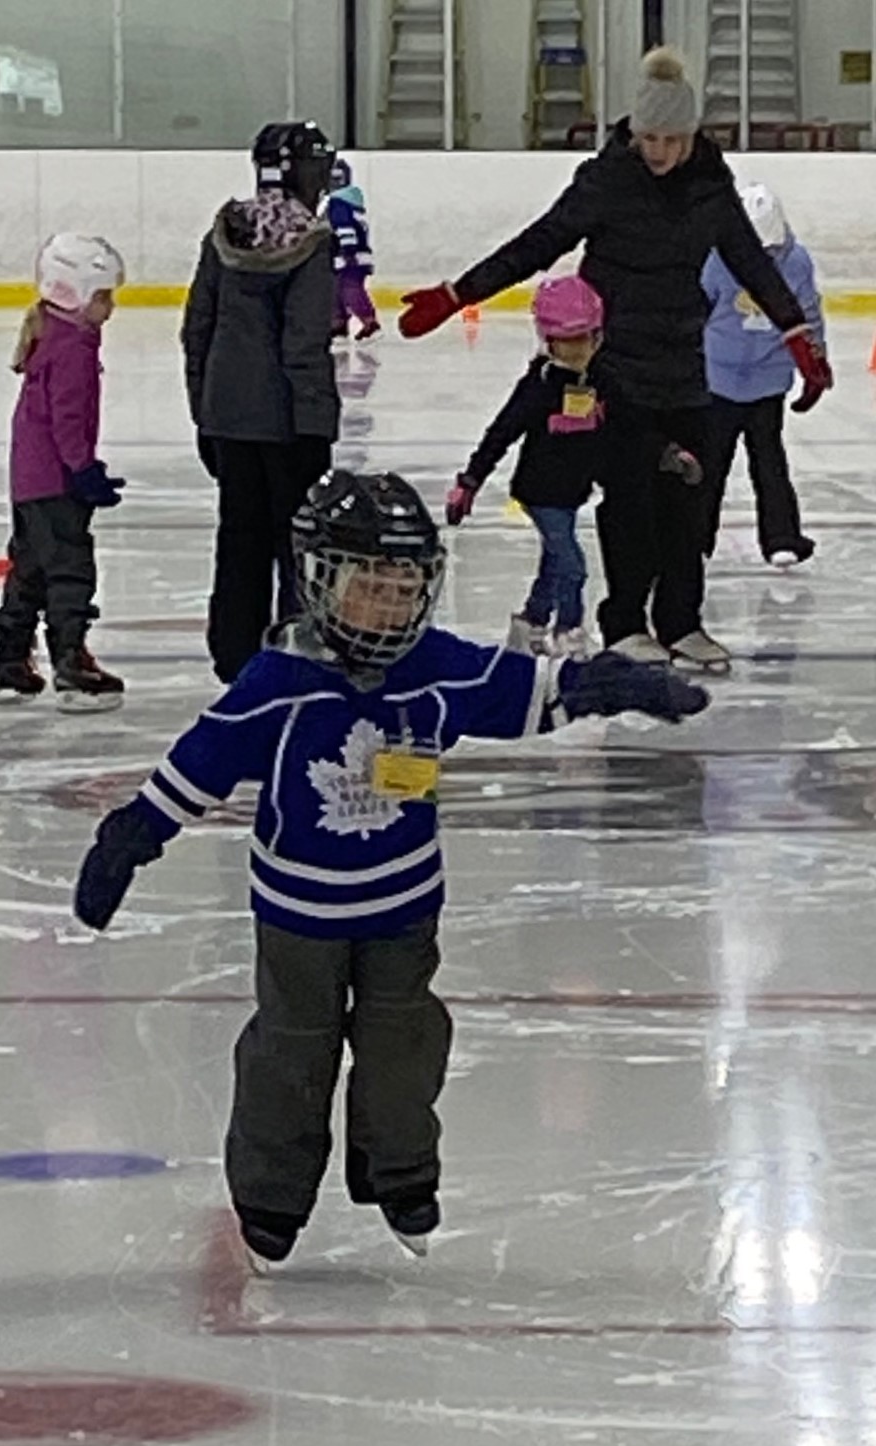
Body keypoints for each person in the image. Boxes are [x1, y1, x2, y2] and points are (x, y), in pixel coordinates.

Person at [73, 469, 708, 1270]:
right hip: (298, 915)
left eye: (406, 590)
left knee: (403, 1041)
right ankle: (272, 1193)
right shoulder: (279, 683)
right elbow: (200, 762)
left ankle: (398, 1171)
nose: (391, 607)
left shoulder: (434, 666)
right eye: (371, 588)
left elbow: (526, 690)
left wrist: (608, 685)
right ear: (321, 582)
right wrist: (132, 835)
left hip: (404, 907)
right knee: (290, 1050)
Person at [398, 47, 832, 676]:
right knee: (631, 500)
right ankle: (625, 622)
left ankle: (681, 622)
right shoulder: (607, 182)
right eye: (647, 137)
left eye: (669, 139)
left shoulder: (711, 187)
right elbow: (538, 243)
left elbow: (750, 262)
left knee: (688, 500)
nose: (657, 150)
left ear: (690, 135)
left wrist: (796, 333)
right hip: (615, 369)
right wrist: (458, 293)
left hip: (684, 365)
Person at [448, 275, 702, 660]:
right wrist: (469, 481)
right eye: (567, 341)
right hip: (540, 494)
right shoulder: (540, 386)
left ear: (597, 336)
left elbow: (630, 425)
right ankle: (568, 630)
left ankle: (530, 623)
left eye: (583, 339)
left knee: (554, 564)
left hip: (572, 492)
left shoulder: (602, 381)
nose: (576, 350)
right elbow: (502, 432)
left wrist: (667, 452)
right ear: (549, 340)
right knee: (572, 566)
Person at [182, 120, 340, 685]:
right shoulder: (311, 242)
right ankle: (294, 653)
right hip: (288, 423)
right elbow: (304, 343)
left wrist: (205, 411)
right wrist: (316, 423)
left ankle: (234, 653)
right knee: (297, 543)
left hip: (228, 417)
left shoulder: (225, 234)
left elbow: (197, 329)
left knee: (238, 537)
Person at [0, 233, 127, 713]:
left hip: (31, 479)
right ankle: (71, 664)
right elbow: (66, 418)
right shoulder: (73, 347)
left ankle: (10, 663)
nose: (111, 308)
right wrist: (83, 470)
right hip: (55, 481)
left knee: (29, 570)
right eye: (104, 297)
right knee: (69, 569)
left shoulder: (52, 334)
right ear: (77, 295)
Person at [701, 182, 824, 569]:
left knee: (769, 463)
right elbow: (696, 308)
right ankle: (694, 537)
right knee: (709, 465)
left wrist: (815, 364)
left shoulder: (797, 262)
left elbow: (808, 314)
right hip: (717, 380)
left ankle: (781, 537)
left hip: (768, 381)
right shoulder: (714, 258)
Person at [327, 156, 380, 340]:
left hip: (349, 256)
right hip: (353, 255)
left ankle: (369, 323)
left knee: (349, 289)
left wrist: (348, 250)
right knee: (336, 290)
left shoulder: (338, 203)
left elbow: (344, 227)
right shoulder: (352, 203)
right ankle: (338, 325)